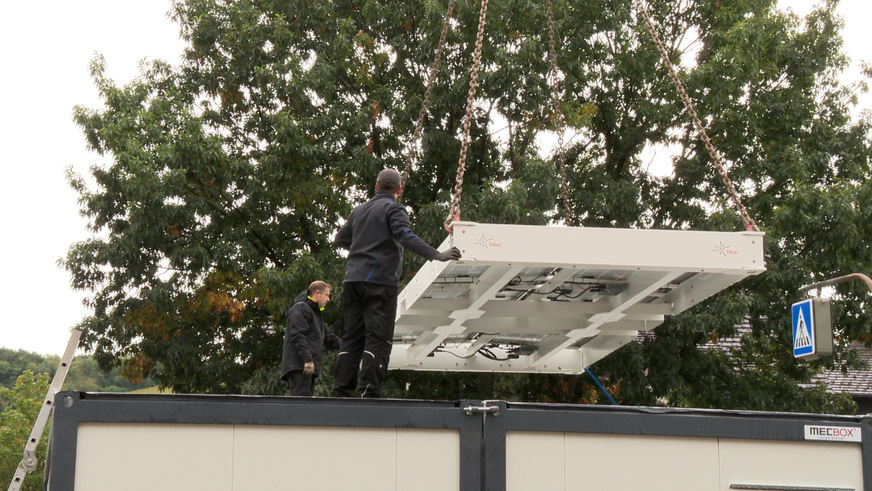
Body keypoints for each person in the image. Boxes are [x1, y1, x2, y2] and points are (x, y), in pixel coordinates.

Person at [332, 168, 461, 398]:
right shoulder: (394, 208)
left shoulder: (359, 210)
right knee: (378, 338)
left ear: (376, 186)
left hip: (352, 281)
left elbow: (340, 239)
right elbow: (405, 236)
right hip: (379, 282)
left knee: (351, 338)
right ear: (398, 190)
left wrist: (360, 247)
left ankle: (341, 391)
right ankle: (369, 393)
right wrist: (437, 255)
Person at [281, 280, 341, 396]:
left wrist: (351, 347)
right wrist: (307, 360)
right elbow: (298, 336)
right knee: (301, 405)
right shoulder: (301, 308)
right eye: (327, 295)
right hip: (300, 366)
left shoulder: (316, 315)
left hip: (308, 367)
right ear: (317, 293)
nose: (328, 299)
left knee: (307, 403)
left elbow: (330, 339)